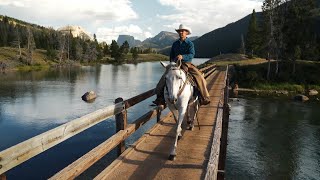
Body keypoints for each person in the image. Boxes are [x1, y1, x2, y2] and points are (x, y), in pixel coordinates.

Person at [153, 24, 211, 106]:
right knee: (164, 79)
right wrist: (171, 64)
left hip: (187, 64)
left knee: (199, 77)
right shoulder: (175, 44)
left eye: (183, 31)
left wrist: (183, 56)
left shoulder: (190, 43)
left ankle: (204, 96)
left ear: (186, 33)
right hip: (175, 65)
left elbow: (191, 54)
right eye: (180, 31)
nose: (181, 32)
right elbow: (171, 55)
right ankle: (160, 98)